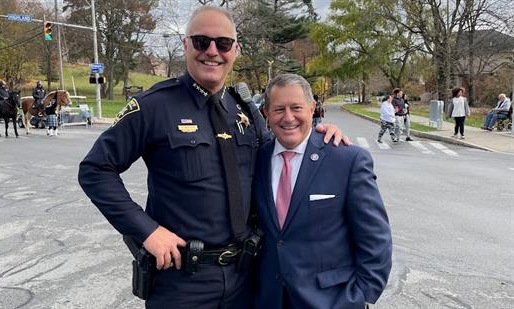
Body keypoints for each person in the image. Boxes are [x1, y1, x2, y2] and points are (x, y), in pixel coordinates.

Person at [78, 6, 349, 308]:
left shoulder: (244, 110)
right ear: (185, 45)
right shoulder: (153, 107)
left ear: (235, 50)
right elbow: (95, 170)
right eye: (200, 42)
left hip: (244, 277)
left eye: (222, 44)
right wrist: (147, 232)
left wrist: (318, 133)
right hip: (182, 282)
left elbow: (283, 152)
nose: (212, 51)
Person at [255, 73, 392, 309]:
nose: (288, 118)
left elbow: (375, 238)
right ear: (266, 114)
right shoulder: (256, 158)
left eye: (296, 107)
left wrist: (362, 296)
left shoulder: (347, 160)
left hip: (331, 300)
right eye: (279, 109)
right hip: (268, 298)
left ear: (312, 108)